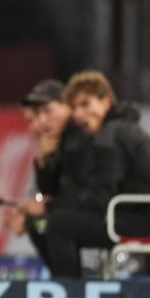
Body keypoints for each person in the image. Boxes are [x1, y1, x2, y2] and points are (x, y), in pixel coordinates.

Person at [40, 71, 150, 276]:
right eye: (74, 107)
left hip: (139, 219)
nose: (78, 114)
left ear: (106, 102)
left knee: (58, 224)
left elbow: (101, 197)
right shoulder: (117, 130)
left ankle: (69, 293)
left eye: (85, 104)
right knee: (57, 219)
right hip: (130, 214)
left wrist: (49, 207)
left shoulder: (111, 134)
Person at [7, 80, 73, 263]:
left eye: (46, 112)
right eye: (32, 119)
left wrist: (39, 208)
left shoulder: (76, 143)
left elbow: (72, 195)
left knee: (42, 222)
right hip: (66, 223)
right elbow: (39, 193)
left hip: (90, 231)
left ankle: (73, 275)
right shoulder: (44, 151)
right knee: (37, 223)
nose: (37, 125)